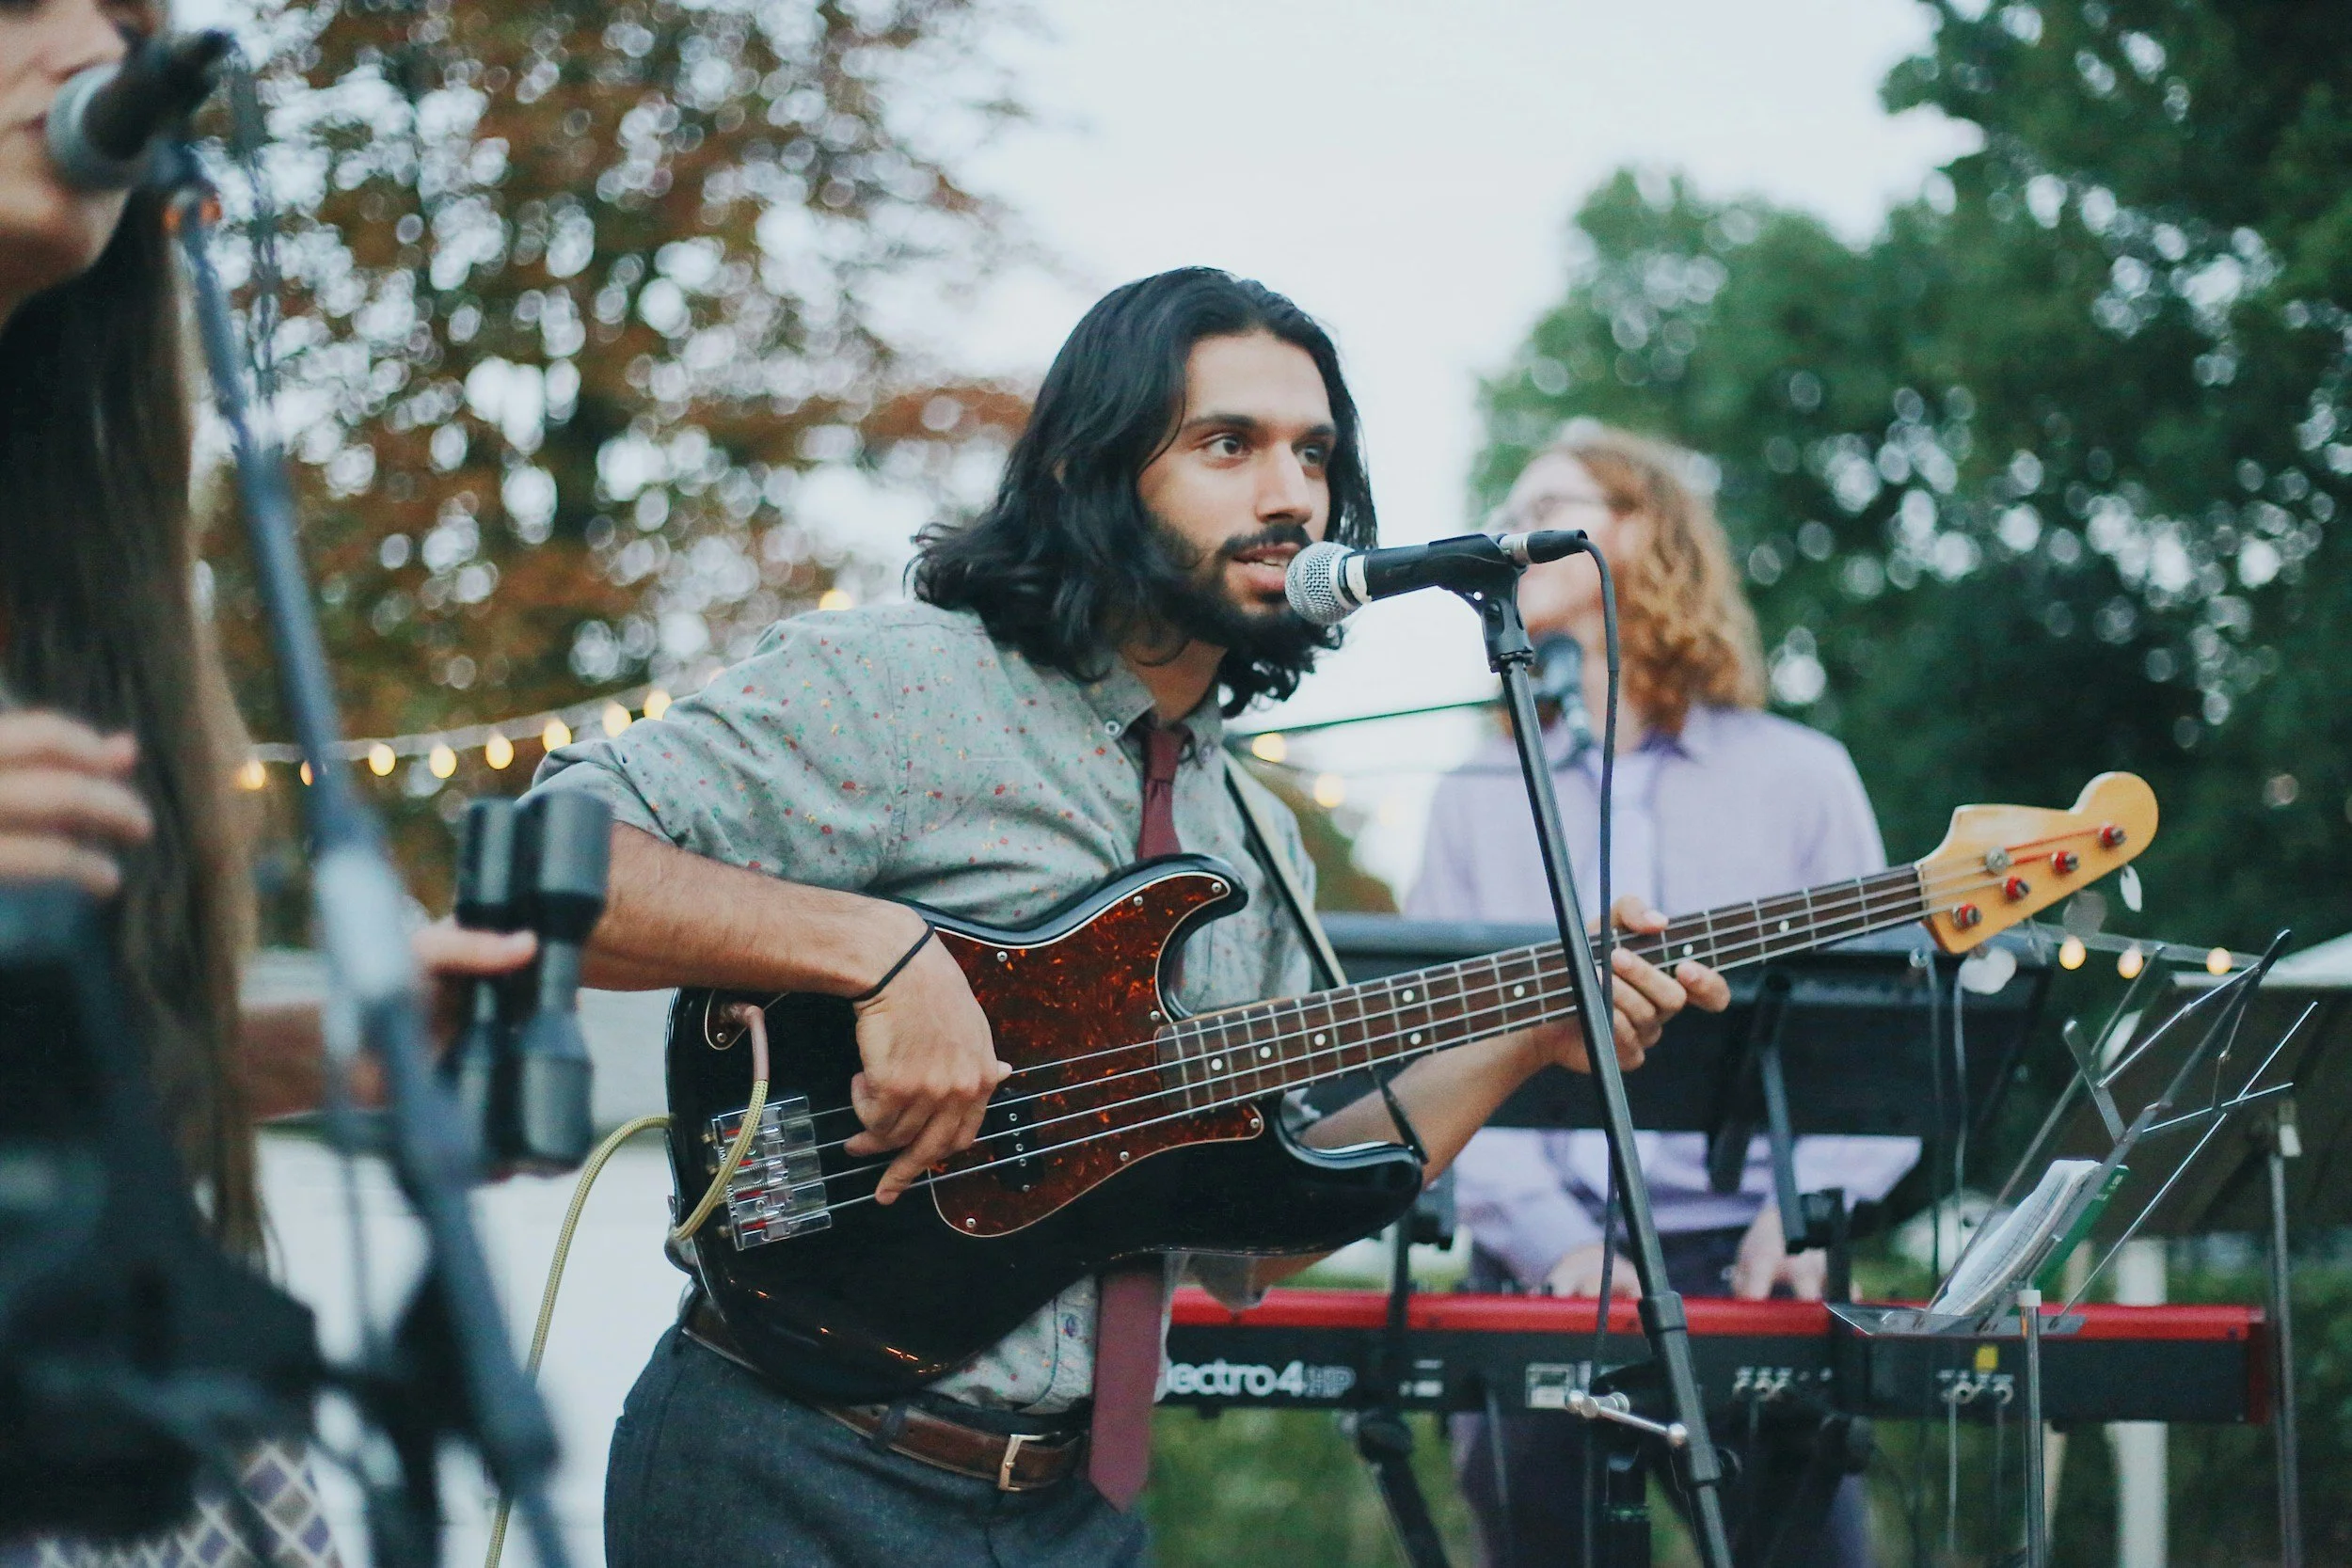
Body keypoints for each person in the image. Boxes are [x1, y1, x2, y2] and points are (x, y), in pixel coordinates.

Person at [527, 269, 1731, 1568]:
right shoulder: (904, 682)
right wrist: (880, 952)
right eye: (1230, 444)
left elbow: (1252, 1235)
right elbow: (547, 862)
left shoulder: (1250, 835)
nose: (1291, 495)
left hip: (1065, 1512)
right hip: (789, 1465)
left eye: (1315, 454)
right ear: (1090, 470)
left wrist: (1528, 1033)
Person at [0, 3, 536, 1562]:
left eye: (120, 15)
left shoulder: (70, 541)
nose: (94, 52)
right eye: (23, 0)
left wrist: (287, 1050)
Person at [1411, 423, 1917, 1567]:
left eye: (1551, 499)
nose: (1511, 526)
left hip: (1754, 1262)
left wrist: (1800, 1209)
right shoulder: (1472, 792)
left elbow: (1873, 1050)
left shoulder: (1801, 774)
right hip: (1540, 1270)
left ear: (1648, 535)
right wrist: (1554, 1243)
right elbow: (1436, 1058)